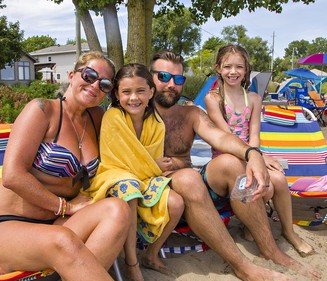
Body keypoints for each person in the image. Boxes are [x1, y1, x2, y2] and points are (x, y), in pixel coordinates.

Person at [150, 50, 321, 280]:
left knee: (231, 163)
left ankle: (270, 250)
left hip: (195, 189)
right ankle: (243, 266)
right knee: (190, 177)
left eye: (178, 79)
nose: (171, 84)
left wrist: (252, 154)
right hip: (158, 192)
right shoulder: (135, 111)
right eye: (163, 77)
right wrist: (150, 163)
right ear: (150, 77)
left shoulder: (190, 113)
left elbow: (220, 137)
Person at [0, 51, 130, 281]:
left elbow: (129, 142)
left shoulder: (97, 119)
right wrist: (64, 207)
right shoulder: (42, 110)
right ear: (72, 75)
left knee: (118, 210)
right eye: (89, 75)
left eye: (105, 83)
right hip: (3, 227)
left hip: (54, 226)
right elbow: (12, 176)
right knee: (63, 241)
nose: (95, 85)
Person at [204, 44, 314, 257]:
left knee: (279, 180)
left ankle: (288, 232)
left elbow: (254, 135)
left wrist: (259, 158)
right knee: (266, 187)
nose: (233, 72)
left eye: (239, 67)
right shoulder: (213, 99)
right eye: (227, 66)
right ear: (218, 68)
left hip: (251, 154)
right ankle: (251, 225)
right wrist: (255, 159)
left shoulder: (253, 99)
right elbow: (227, 137)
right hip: (227, 158)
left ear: (246, 70)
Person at [82, 63, 184, 281]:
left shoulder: (156, 122)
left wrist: (151, 166)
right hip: (111, 176)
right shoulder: (113, 118)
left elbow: (146, 165)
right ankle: (131, 263)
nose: (133, 98)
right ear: (117, 95)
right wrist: (154, 164)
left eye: (140, 91)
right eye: (126, 92)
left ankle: (151, 254)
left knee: (176, 203)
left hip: (144, 178)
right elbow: (116, 160)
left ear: (151, 92)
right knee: (129, 188)